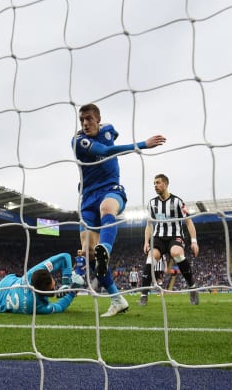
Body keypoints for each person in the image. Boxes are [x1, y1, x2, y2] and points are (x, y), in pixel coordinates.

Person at [72, 103, 166, 317]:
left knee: (107, 207)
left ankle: (104, 248)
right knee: (88, 252)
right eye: (82, 120)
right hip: (87, 198)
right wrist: (143, 144)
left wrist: (110, 132)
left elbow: (111, 133)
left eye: (89, 118)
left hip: (111, 189)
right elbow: (105, 150)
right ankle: (117, 300)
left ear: (98, 118)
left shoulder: (107, 129)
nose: (85, 123)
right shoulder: (78, 141)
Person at [138, 174, 200, 306]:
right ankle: (144, 295)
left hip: (175, 235)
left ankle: (192, 287)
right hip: (158, 237)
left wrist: (194, 241)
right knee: (151, 257)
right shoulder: (152, 203)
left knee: (176, 253)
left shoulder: (177, 201)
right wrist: (146, 241)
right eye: (154, 183)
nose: (155, 185)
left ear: (166, 184)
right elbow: (149, 224)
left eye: (158, 183)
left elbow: (188, 222)